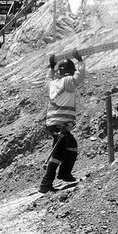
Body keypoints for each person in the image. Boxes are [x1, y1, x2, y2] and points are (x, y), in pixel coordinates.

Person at [39, 49, 86, 193]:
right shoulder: (67, 81)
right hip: (61, 125)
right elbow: (79, 77)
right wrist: (80, 61)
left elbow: (49, 78)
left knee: (71, 145)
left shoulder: (53, 83)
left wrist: (51, 67)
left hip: (53, 123)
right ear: (68, 72)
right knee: (58, 154)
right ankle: (45, 184)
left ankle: (65, 173)